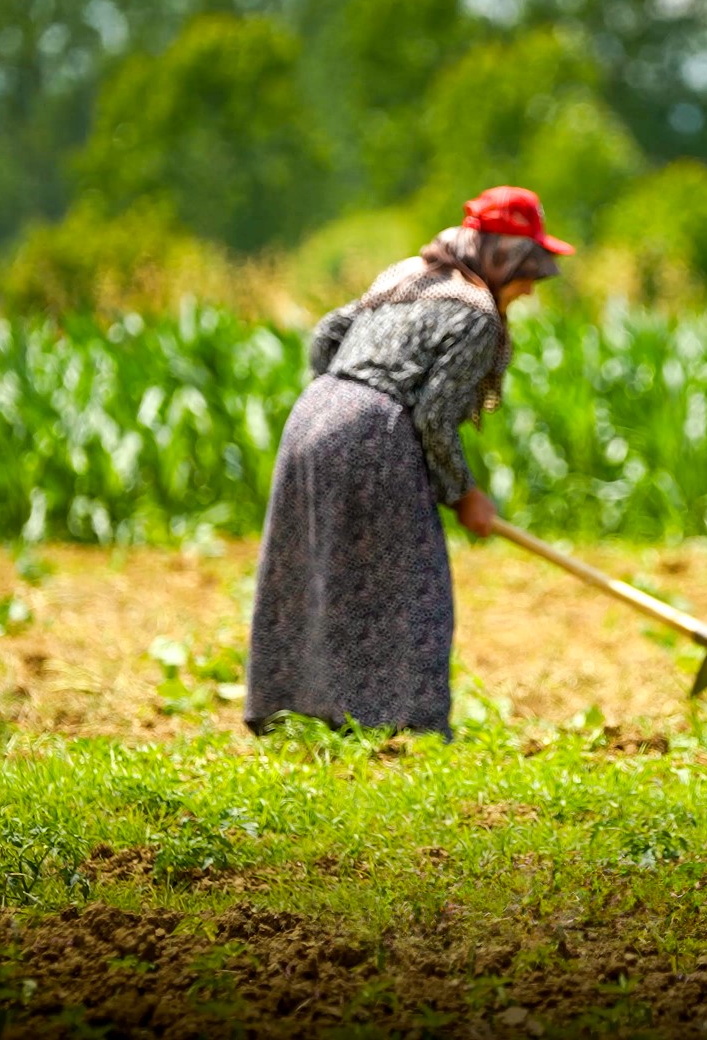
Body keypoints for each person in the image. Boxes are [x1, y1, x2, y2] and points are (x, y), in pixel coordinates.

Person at [244, 186, 572, 738]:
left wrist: (342, 398)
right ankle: (400, 725)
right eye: (526, 277)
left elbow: (326, 334)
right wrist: (465, 494)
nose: (527, 292)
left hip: (314, 412)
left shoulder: (408, 276)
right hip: (373, 429)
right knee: (413, 586)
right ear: (504, 261)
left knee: (318, 568)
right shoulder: (477, 315)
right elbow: (435, 417)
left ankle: (292, 710)